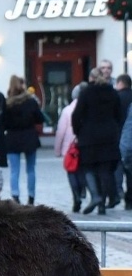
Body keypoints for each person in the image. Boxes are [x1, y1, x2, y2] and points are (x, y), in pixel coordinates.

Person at [76, 75, 124, 214]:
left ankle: (95, 195)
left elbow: (77, 115)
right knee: (105, 171)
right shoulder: (113, 93)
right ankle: (102, 204)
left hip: (88, 137)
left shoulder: (86, 93)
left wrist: (78, 131)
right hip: (109, 136)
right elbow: (119, 115)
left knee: (88, 168)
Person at [0, 75, 44, 205]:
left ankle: (15, 196)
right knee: (31, 169)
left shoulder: (7, 103)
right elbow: (40, 118)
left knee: (14, 170)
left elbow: (2, 123)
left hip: (13, 138)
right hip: (29, 137)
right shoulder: (31, 102)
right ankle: (31, 196)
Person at [56, 83, 87, 212]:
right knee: (81, 171)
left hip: (69, 148)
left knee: (71, 171)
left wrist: (57, 149)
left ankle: (76, 197)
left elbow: (60, 132)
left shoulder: (67, 110)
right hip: (84, 145)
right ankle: (82, 189)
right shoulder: (89, 109)